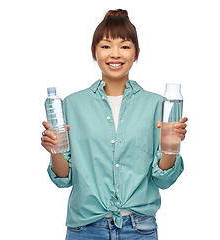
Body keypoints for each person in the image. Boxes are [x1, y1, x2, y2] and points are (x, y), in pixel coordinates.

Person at [41, 9, 188, 239]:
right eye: (106, 46)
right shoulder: (72, 105)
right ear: (94, 51)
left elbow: (163, 179)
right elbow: (64, 179)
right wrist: (55, 151)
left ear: (136, 53)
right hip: (85, 229)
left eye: (125, 46)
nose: (115, 54)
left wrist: (172, 145)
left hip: (139, 229)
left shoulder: (157, 105)